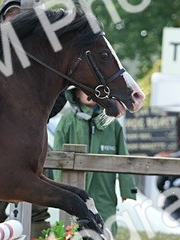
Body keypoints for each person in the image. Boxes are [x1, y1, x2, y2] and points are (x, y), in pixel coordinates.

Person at [0, 0, 64, 238]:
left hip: (31, 143)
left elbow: (60, 98)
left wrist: (32, 117)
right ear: (1, 20)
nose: (15, 24)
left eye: (20, 19)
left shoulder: (45, 56)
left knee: (38, 210)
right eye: (11, 17)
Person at [52, 86, 136, 230]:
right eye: (84, 90)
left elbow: (123, 156)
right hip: (74, 187)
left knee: (106, 223)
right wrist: (59, 187)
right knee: (73, 227)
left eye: (92, 90)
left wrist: (127, 189)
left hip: (104, 188)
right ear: (76, 94)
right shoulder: (67, 121)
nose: (89, 94)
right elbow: (57, 156)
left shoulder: (112, 123)